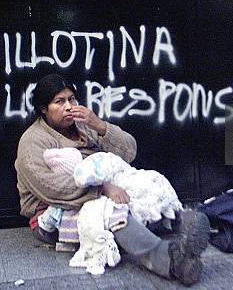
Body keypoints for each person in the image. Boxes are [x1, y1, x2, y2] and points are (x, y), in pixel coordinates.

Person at [14, 73, 209, 286]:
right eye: (59, 102)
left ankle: (181, 224)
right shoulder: (33, 141)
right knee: (110, 213)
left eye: (72, 99)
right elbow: (51, 188)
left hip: (96, 190)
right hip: (52, 214)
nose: (69, 106)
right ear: (43, 108)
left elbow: (129, 152)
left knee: (147, 185)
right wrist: (102, 189)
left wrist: (99, 125)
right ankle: (171, 261)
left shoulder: (82, 124)